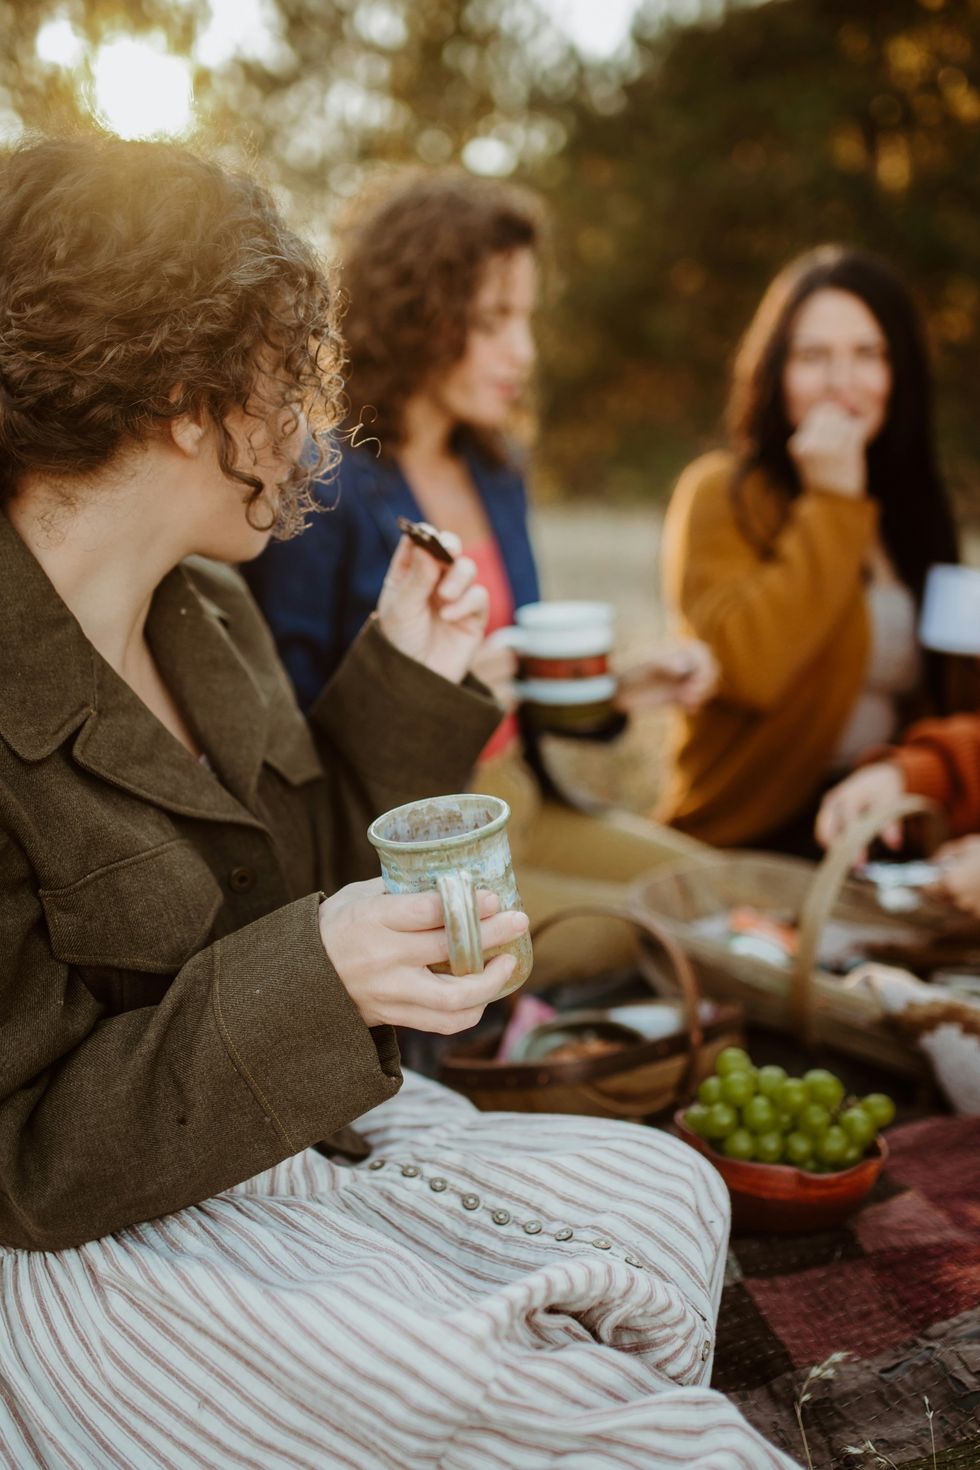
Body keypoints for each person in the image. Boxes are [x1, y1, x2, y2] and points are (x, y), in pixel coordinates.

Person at [0, 137, 796, 1470]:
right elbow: (25, 1152)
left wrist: (406, 681)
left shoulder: (210, 613)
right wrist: (316, 975)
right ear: (188, 400)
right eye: (277, 374)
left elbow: (297, 876)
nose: (308, 427)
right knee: (609, 1424)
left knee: (673, 1197)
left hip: (277, 1129)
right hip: (80, 1233)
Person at [245, 169, 714, 986]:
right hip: (427, 845)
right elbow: (291, 739)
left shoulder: (497, 471)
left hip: (520, 798)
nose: (524, 353)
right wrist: (430, 691)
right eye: (495, 320)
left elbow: (510, 676)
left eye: (527, 320)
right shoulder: (325, 487)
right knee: (666, 937)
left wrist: (615, 688)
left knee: (716, 891)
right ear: (419, 312)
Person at [655, 245, 963, 852]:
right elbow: (752, 668)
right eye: (813, 356)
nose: (840, 383)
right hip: (744, 835)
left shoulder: (913, 510)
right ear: (774, 372)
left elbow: (951, 697)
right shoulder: (721, 493)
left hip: (879, 828)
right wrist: (833, 503)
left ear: (898, 372)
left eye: (867, 354)